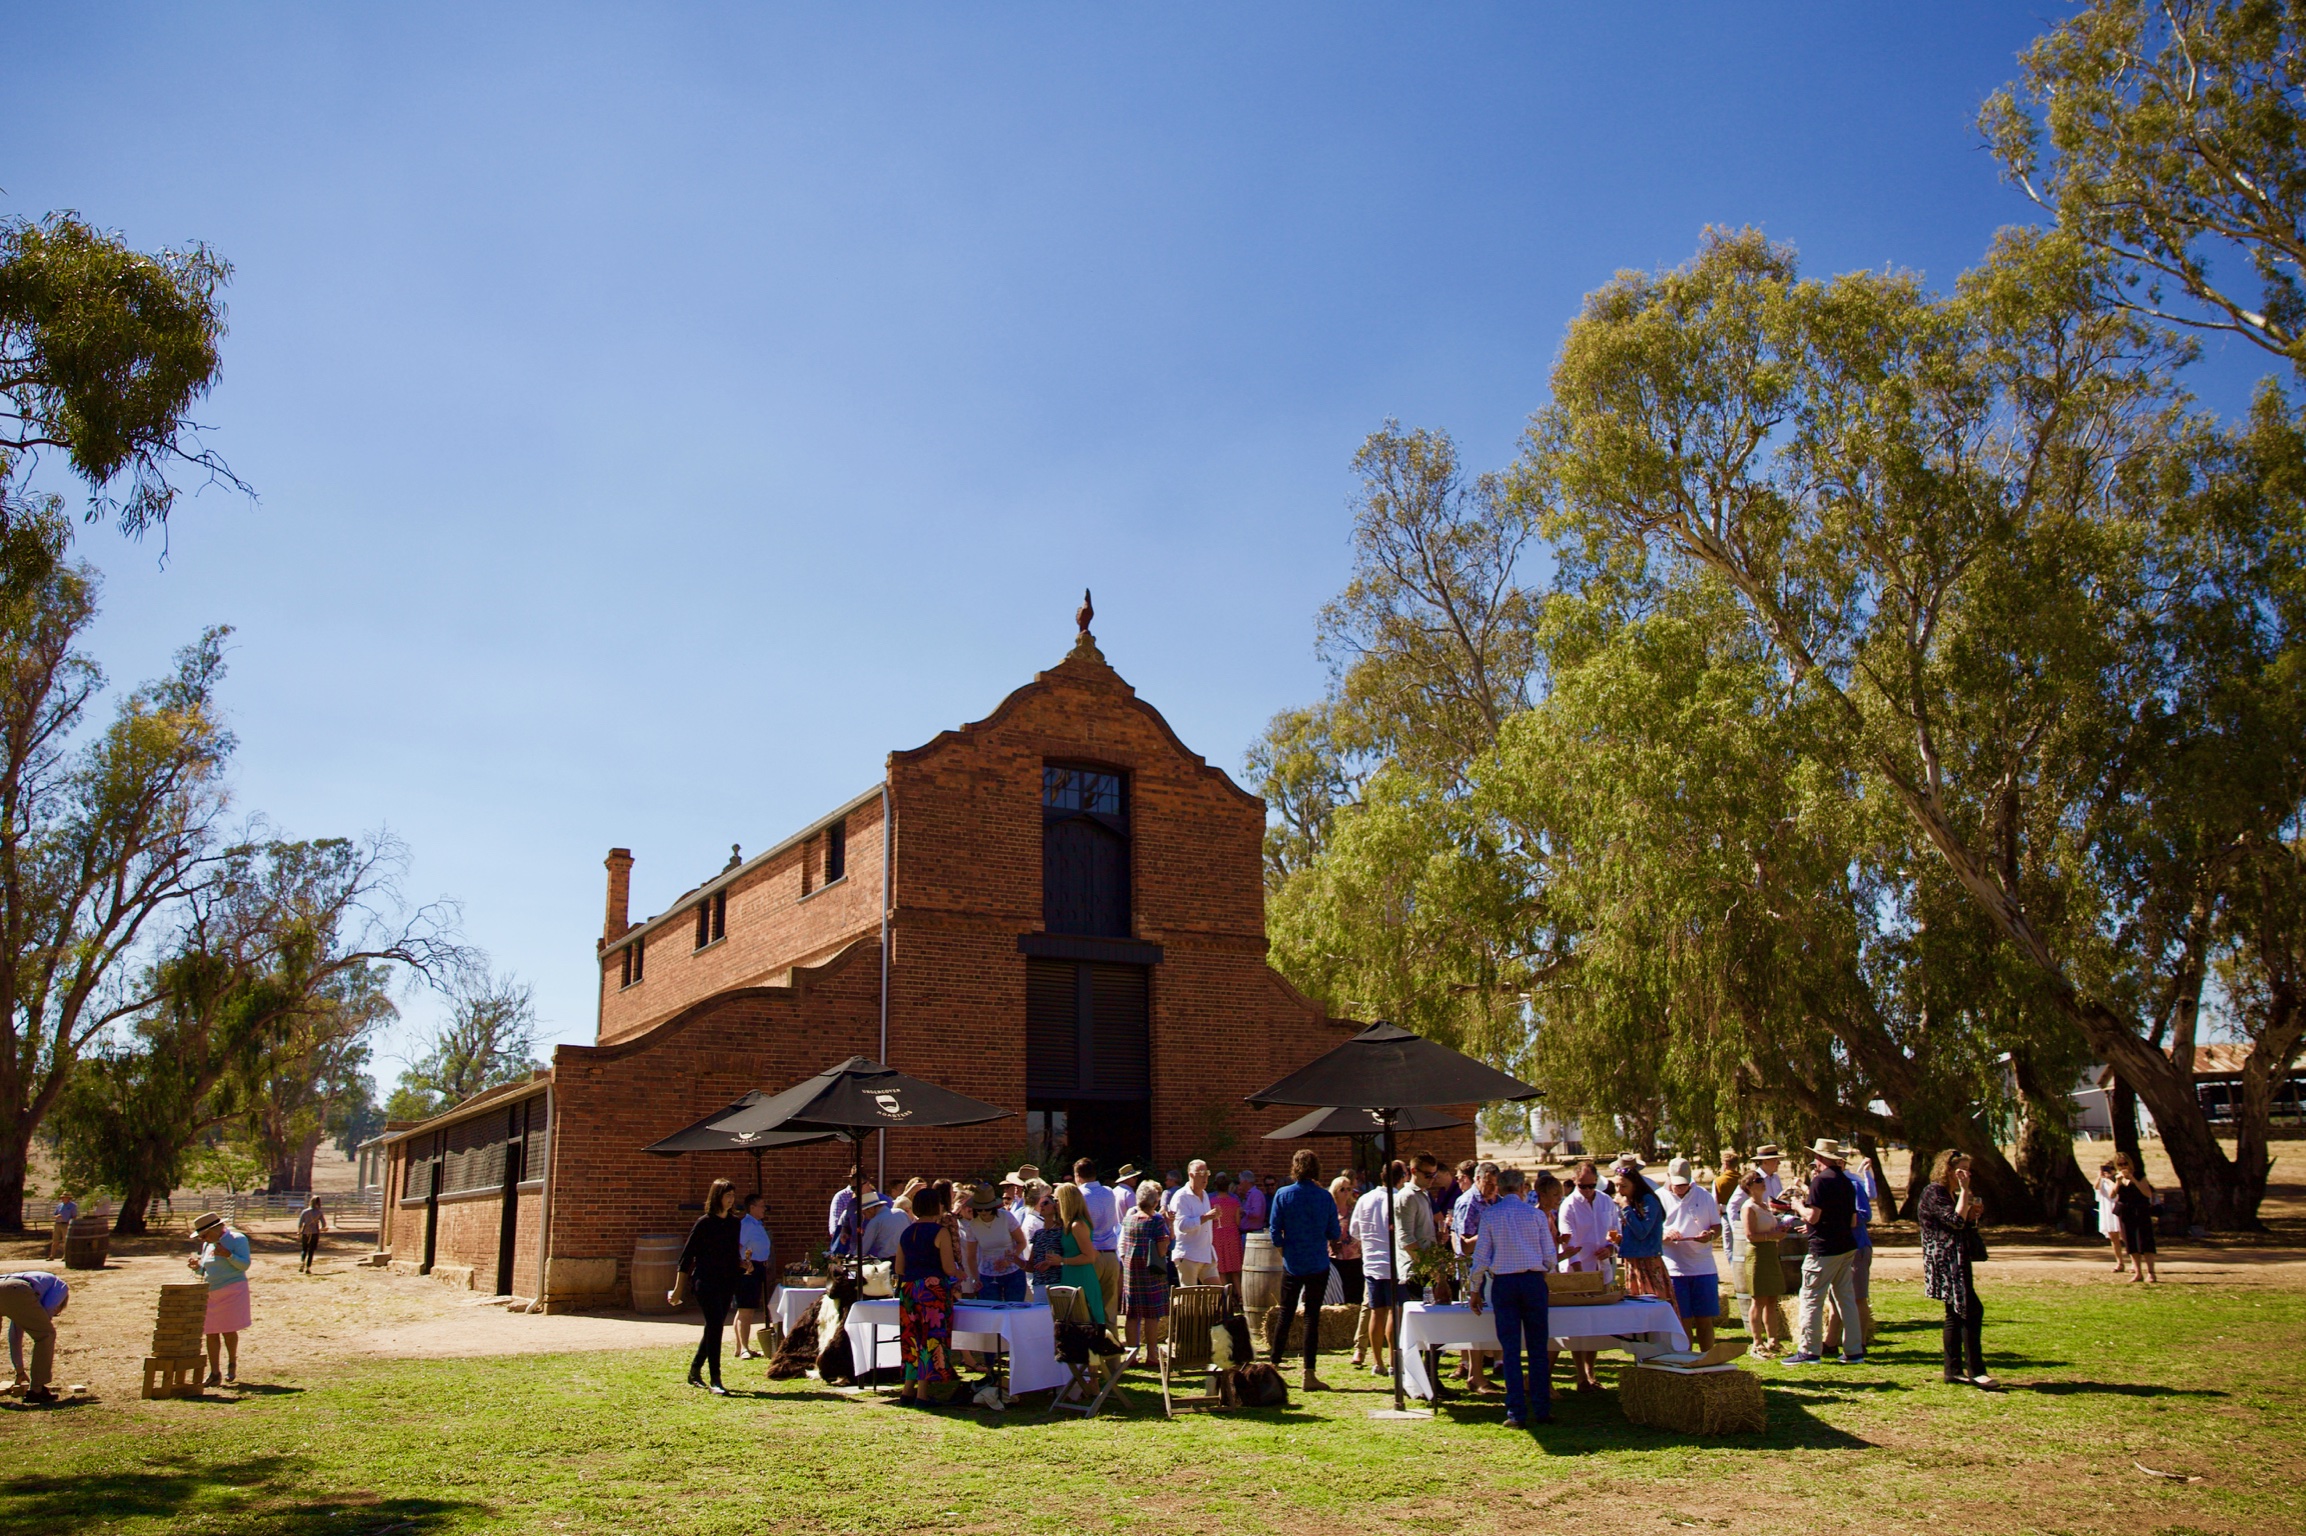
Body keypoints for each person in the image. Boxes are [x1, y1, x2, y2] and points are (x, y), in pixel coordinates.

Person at [1467, 1166, 1556, 1430]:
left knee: (1510, 1349)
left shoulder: (1491, 1215)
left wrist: (1475, 1288)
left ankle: (1516, 1411)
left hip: (1504, 1282)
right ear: (1522, 1188)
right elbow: (1550, 1257)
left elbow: (1480, 1257)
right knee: (1538, 1348)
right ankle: (1541, 1408)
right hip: (1532, 1280)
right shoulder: (1536, 1215)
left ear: (1498, 1188)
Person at [1918, 1149, 1994, 1387]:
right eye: (1961, 1169)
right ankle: (1975, 1370)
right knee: (1970, 1311)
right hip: (1945, 1262)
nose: (1966, 1174)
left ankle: (1953, 1370)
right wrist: (1964, 1193)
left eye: (1968, 1170)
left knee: (1956, 1313)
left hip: (1957, 1259)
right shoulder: (1935, 1192)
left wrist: (1972, 1214)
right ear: (1947, 1169)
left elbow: (1962, 1224)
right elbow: (1955, 1221)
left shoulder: (1950, 1193)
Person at [1266, 1147, 1340, 1392]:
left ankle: (1274, 1367)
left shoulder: (1283, 1194)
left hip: (1293, 1263)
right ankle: (1309, 1373)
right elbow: (1334, 1232)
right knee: (1312, 1317)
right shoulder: (1324, 1197)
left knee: (1285, 1315)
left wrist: (1284, 1253)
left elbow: (1275, 1232)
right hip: (1318, 1262)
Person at [1782, 1139, 1861, 1366]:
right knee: (1846, 1298)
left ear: (1821, 1158)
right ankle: (1854, 1350)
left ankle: (1808, 1351)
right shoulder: (1846, 1182)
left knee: (1810, 1298)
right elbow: (1853, 1219)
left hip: (1823, 1250)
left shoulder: (1820, 1182)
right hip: (1845, 1246)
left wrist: (1797, 1206)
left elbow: (1813, 1216)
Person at [895, 1183, 966, 1406]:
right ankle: (923, 1394)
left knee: (911, 1337)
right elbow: (947, 1267)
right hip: (931, 1290)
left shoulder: (907, 1232)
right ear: (935, 1207)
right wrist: (959, 1274)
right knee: (930, 1337)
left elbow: (899, 1267)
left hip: (908, 1289)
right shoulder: (940, 1232)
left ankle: (908, 1390)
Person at [675, 1178, 744, 1394]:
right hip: (705, 1281)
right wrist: (678, 1289)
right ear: (717, 1197)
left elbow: (732, 1254)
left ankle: (695, 1370)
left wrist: (744, 1265)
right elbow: (686, 1258)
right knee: (715, 1325)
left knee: (713, 1327)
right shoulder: (704, 1223)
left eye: (733, 1196)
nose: (731, 1200)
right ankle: (716, 1379)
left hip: (726, 1281)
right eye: (727, 1196)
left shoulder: (734, 1223)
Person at [1557, 1159, 1620, 1392]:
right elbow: (1568, 1238)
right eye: (1582, 1186)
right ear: (1575, 1182)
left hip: (1601, 1267)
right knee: (1576, 1324)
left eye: (1591, 1185)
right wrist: (1577, 1272)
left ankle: (1591, 1373)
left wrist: (1611, 1247)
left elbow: (1615, 1232)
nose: (1587, 1190)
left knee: (1593, 1322)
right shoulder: (1568, 1205)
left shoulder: (1606, 1202)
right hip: (1577, 1270)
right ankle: (1580, 1374)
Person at [1659, 1157, 1722, 1352]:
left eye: (1684, 1184)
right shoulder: (1658, 1197)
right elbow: (1651, 1231)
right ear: (1668, 1177)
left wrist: (1710, 1235)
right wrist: (1665, 1235)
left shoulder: (1703, 1195)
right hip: (1674, 1268)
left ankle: (1707, 1359)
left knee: (1705, 1319)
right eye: (1677, 1184)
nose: (1680, 1188)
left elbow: (1716, 1225)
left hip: (1703, 1267)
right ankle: (1686, 1358)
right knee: (1682, 1318)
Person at [1451, 1162, 1502, 1392]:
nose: (1492, 1188)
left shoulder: (1495, 1200)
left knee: (1487, 1320)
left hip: (1494, 1271)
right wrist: (1491, 1233)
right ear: (1478, 1179)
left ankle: (1480, 1372)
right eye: (1488, 1183)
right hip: (1473, 1271)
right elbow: (1464, 1245)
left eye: (1495, 1184)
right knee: (1476, 1319)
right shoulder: (1469, 1203)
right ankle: (1475, 1375)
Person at [188, 1210, 252, 1387]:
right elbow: (207, 1270)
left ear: (215, 1229)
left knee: (228, 1330)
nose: (202, 1239)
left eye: (204, 1234)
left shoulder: (238, 1239)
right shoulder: (208, 1245)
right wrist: (197, 1268)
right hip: (212, 1292)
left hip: (232, 1289)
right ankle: (214, 1373)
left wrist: (228, 1255)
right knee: (211, 1332)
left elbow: (244, 1265)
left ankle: (232, 1364)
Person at [1736, 1169, 1793, 1355]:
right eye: (1757, 1180)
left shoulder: (1765, 1206)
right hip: (1758, 1255)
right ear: (1749, 1186)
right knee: (1758, 1300)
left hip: (1770, 1253)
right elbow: (1751, 1235)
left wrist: (1781, 1229)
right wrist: (1772, 1235)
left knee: (1772, 1299)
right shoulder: (1748, 1207)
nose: (1762, 1182)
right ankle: (1757, 1342)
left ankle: (1773, 1340)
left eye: (1762, 1180)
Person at [1119, 1181, 1173, 1365]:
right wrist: (1166, 1238)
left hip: (1131, 1271)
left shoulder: (1128, 1219)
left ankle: (1132, 1355)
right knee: (1151, 1315)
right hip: (1151, 1271)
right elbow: (1161, 1250)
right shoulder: (1156, 1220)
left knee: (1132, 1314)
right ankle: (1151, 1355)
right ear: (1155, 1202)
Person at [1613, 1164, 1674, 1323]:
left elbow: (1642, 1232)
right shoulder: (1631, 1203)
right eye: (1617, 1185)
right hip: (1633, 1261)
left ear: (1635, 1184)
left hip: (1647, 1262)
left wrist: (1625, 1207)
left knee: (1652, 1308)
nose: (1619, 1190)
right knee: (1636, 1309)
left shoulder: (1648, 1201)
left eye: (1624, 1186)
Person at [1350, 1169, 1397, 1376]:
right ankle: (1395, 1361)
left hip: (1371, 1263)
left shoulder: (1364, 1199)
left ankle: (1378, 1362)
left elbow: (1354, 1231)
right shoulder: (1398, 1198)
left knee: (1376, 1313)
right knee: (1395, 1312)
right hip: (1394, 1264)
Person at [0, 1271, 68, 1404]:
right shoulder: (61, 1287)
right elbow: (48, 1308)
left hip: (5, 1283)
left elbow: (15, 1336)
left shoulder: (38, 1285)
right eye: (57, 1313)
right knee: (46, 1335)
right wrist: (45, 1320)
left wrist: (19, 1370)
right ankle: (37, 1390)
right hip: (17, 1289)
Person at [1072, 1159, 1125, 1316]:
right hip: (1110, 1254)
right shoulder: (1109, 1192)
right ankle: (1111, 1339)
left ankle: (1091, 1340)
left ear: (1077, 1176)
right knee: (1109, 1309)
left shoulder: (1079, 1195)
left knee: (1087, 1307)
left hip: (1090, 1255)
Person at [960, 1184, 1028, 1303]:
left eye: (987, 1208)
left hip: (1013, 1272)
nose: (983, 1212)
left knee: (1014, 1308)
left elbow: (1021, 1242)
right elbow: (971, 1257)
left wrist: (1010, 1259)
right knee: (989, 1309)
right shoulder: (972, 1226)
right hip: (987, 1274)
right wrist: (976, 1278)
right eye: (979, 1209)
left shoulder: (1006, 1217)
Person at [1327, 1174, 1369, 1368]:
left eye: (1348, 1189)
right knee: (1338, 1294)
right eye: (1342, 1189)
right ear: (1335, 1192)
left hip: (1354, 1257)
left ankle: (1355, 1332)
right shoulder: (1330, 1210)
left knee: (1355, 1293)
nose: (1346, 1192)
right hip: (1335, 1258)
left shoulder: (1355, 1209)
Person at [1164, 1160, 1219, 1290]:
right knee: (1189, 1299)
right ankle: (1179, 1308)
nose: (1205, 1177)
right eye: (1201, 1173)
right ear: (1191, 1175)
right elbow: (1182, 1226)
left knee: (1218, 1293)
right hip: (1188, 1255)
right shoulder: (1181, 1197)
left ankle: (1208, 1311)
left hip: (1206, 1253)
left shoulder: (1204, 1194)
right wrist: (1206, 1217)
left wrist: (1213, 1217)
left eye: (1207, 1173)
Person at [732, 1192, 775, 1359]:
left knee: (746, 1308)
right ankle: (744, 1348)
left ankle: (740, 1346)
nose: (765, 1209)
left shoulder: (757, 1224)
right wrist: (742, 1263)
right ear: (752, 1207)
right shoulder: (747, 1225)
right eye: (762, 1206)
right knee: (746, 1309)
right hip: (748, 1268)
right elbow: (737, 1245)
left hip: (759, 1268)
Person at [2114, 1155, 2159, 1284]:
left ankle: (2151, 1273)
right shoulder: (2118, 1178)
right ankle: (2138, 1272)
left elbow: (2147, 1193)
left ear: (2130, 1163)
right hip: (2126, 1213)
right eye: (2120, 1164)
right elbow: (2113, 1194)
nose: (2123, 1167)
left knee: (2145, 1241)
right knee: (2131, 1242)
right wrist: (2117, 1182)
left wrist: (2132, 1179)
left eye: (2125, 1163)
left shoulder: (2139, 1175)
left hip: (2140, 1211)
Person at [1023, 1188, 1064, 1303]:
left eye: (1045, 1203)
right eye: (1040, 1203)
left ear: (1055, 1207)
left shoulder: (1062, 1231)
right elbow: (1031, 1265)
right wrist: (1015, 1260)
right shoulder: (1038, 1234)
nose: (1042, 1206)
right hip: (1039, 1283)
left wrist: (1052, 1262)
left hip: (1057, 1282)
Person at [1208, 1171, 1245, 1300]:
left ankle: (1226, 1298)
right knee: (1235, 1268)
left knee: (1221, 1268)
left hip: (1217, 1235)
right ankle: (1240, 1296)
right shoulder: (1235, 1201)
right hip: (1232, 1235)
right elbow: (1238, 1222)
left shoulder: (1211, 1201)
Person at [828, 1172, 877, 1256]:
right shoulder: (852, 1204)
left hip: (874, 1251)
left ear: (867, 1184)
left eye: (858, 1186)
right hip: (855, 1251)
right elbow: (846, 1224)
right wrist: (844, 1232)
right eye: (853, 1188)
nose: (856, 1190)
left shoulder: (879, 1201)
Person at [2095, 1161, 2127, 1273]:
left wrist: (2109, 1179)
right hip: (2107, 1208)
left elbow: (2115, 1190)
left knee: (2125, 1235)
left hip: (2117, 1207)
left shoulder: (2119, 1179)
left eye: (2110, 1169)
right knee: (2113, 1237)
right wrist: (2100, 1177)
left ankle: (2134, 1262)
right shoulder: (2102, 1180)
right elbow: (2096, 1188)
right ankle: (2119, 1262)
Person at [858, 1191, 910, 1261]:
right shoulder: (901, 1213)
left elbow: (863, 1248)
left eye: (864, 1213)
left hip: (889, 1262)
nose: (865, 1217)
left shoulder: (875, 1221)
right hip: (908, 1259)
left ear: (871, 1209)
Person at [296, 1195, 328, 1274]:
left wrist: (299, 1232)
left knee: (304, 1249)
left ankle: (302, 1263)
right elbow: (324, 1225)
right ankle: (308, 1267)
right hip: (315, 1233)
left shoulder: (305, 1211)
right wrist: (320, 1229)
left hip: (305, 1232)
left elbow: (300, 1223)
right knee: (311, 1251)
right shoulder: (319, 1212)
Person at [1237, 1168, 1268, 1235]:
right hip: (1248, 1233)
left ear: (1245, 1182)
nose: (1239, 1184)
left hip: (1253, 1233)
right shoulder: (1249, 1194)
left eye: (1240, 1181)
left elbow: (1256, 1213)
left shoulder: (1256, 1194)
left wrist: (1244, 1211)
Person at [48, 1193, 77, 1261]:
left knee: (65, 1240)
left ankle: (65, 1256)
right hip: (58, 1223)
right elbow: (54, 1214)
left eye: (65, 1197)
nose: (63, 1199)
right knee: (55, 1240)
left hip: (66, 1224)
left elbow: (74, 1216)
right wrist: (57, 1216)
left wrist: (71, 1223)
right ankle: (52, 1255)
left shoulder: (72, 1206)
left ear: (68, 1198)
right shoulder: (59, 1205)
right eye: (62, 1197)